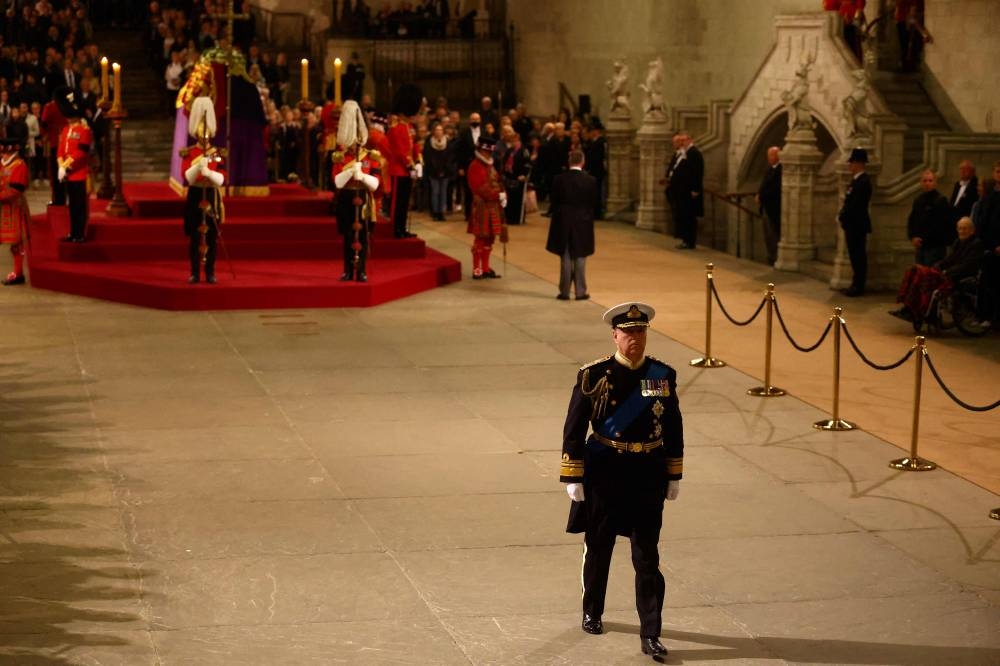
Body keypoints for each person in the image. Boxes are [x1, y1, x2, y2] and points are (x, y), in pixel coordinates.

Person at [560, 302, 683, 661]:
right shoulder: (594, 374)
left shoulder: (662, 375)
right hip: (605, 471)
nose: (635, 338)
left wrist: (674, 472)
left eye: (640, 331)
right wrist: (573, 474)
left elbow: (673, 425)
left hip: (647, 472)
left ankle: (650, 632)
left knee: (647, 555)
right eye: (628, 332)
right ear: (615, 335)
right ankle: (592, 611)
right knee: (599, 547)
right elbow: (574, 427)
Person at [891, 216, 984, 325]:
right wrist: (938, 266)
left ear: (972, 230)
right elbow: (949, 259)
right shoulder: (958, 242)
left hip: (962, 276)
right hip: (951, 273)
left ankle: (918, 310)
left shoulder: (976, 244)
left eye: (965, 228)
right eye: (960, 228)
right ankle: (910, 308)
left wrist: (947, 272)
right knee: (915, 271)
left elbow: (967, 265)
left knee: (925, 277)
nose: (962, 231)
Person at [331, 100, 381, 283]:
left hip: (364, 197)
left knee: (363, 236)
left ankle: (361, 271)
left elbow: (375, 184)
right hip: (346, 196)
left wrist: (363, 177)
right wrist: (351, 172)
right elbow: (336, 182)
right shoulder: (340, 157)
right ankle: (347, 270)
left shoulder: (370, 156)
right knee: (347, 236)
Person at [181, 96, 227, 284]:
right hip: (196, 194)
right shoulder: (189, 152)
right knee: (194, 235)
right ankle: (194, 271)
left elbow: (223, 178)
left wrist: (209, 172)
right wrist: (197, 167)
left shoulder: (217, 153)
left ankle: (210, 272)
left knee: (211, 236)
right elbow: (187, 176)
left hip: (211, 194)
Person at [546, 149, 596, 301]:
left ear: (569, 162)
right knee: (580, 255)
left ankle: (565, 291)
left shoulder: (558, 179)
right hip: (583, 221)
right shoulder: (590, 180)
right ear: (582, 161)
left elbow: (553, 200)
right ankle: (580, 291)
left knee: (566, 255)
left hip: (563, 220)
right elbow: (593, 202)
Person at [54, 86, 91, 243]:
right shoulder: (66, 129)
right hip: (68, 174)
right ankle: (73, 232)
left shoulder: (84, 130)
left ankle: (79, 234)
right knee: (71, 206)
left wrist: (67, 166)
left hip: (79, 173)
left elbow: (81, 153)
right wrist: (61, 165)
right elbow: (61, 150)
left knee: (79, 206)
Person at [466, 136, 505, 280]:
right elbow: (481, 188)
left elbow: (498, 181)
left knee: (490, 239)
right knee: (480, 239)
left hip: (492, 206)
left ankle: (486, 268)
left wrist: (503, 193)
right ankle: (477, 269)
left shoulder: (489, 165)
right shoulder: (475, 166)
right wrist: (498, 195)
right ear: (481, 150)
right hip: (482, 207)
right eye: (487, 152)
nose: (489, 155)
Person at [387, 83, 422, 239]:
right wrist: (410, 166)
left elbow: (413, 145)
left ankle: (402, 228)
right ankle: (396, 228)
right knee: (398, 203)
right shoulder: (396, 127)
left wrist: (419, 161)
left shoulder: (408, 126)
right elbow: (400, 151)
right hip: (398, 170)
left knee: (405, 201)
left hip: (407, 170)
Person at [838, 147, 872, 297]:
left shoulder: (863, 182)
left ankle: (858, 285)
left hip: (857, 225)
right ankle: (855, 284)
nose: (850, 166)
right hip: (852, 224)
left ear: (858, 163)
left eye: (852, 163)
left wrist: (845, 215)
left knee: (858, 255)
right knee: (854, 255)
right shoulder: (856, 181)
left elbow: (856, 205)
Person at [972, 164, 1000, 329]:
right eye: (997, 171)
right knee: (985, 284)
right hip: (989, 246)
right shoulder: (990, 196)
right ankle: (983, 314)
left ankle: (994, 318)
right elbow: (984, 222)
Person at [0, 138, 30, 286]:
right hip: (2, 208)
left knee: (17, 243)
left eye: (5, 153)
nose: (3, 156)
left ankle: (18, 273)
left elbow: (16, 190)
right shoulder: (2, 163)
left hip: (14, 208)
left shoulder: (19, 165)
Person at [907, 170, 953, 266]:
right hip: (920, 247)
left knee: (931, 277)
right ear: (921, 182)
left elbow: (942, 225)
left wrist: (926, 239)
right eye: (925, 181)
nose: (927, 183)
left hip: (935, 247)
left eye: (930, 180)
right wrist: (913, 237)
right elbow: (912, 220)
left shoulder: (941, 200)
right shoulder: (918, 200)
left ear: (935, 182)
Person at [670, 132, 704, 250]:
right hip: (682, 190)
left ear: (690, 140)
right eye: (681, 141)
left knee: (689, 216)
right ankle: (685, 239)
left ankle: (689, 241)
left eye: (684, 140)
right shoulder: (685, 153)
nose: (681, 143)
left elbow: (697, 172)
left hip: (689, 191)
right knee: (683, 215)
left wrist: (695, 189)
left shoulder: (694, 153)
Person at [756, 146, 782, 265]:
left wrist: (761, 196)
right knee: (768, 234)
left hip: (774, 207)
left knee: (774, 234)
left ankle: (775, 258)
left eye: (771, 155)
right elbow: (764, 184)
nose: (769, 158)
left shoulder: (781, 169)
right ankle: (770, 256)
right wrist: (759, 194)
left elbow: (775, 189)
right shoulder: (770, 169)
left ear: (778, 155)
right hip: (766, 206)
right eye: (768, 156)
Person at [423, 123, 454, 221]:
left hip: (445, 171)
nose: (438, 132)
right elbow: (428, 157)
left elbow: (450, 157)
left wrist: (444, 169)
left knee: (443, 192)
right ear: (433, 131)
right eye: (437, 130)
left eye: (440, 130)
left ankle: (442, 212)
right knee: (435, 192)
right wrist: (436, 169)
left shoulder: (447, 142)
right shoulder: (429, 142)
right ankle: (435, 212)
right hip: (433, 171)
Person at [500, 125, 530, 225]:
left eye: (513, 140)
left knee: (517, 199)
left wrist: (524, 175)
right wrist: (503, 173)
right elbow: (504, 162)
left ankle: (517, 219)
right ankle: (508, 218)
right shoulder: (509, 151)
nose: (512, 142)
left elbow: (527, 164)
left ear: (517, 139)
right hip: (509, 177)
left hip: (519, 177)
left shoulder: (524, 150)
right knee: (509, 199)